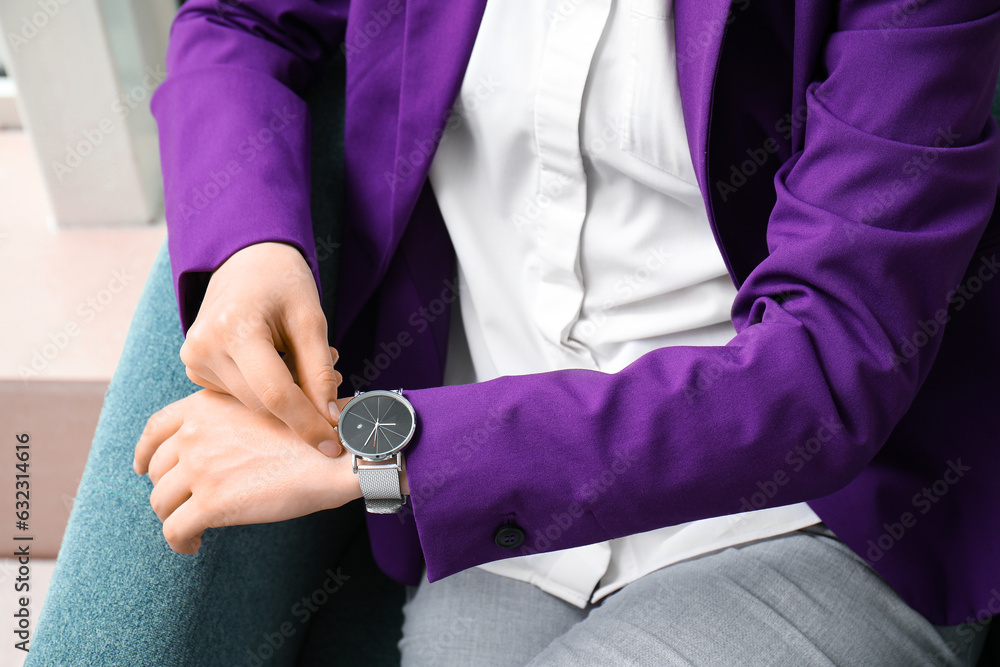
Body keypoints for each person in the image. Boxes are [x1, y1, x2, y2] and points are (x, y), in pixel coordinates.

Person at [29, 0, 1000, 664]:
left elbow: (825, 371)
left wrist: (389, 450)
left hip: (815, 515)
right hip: (500, 534)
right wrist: (248, 243)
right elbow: (238, 19)